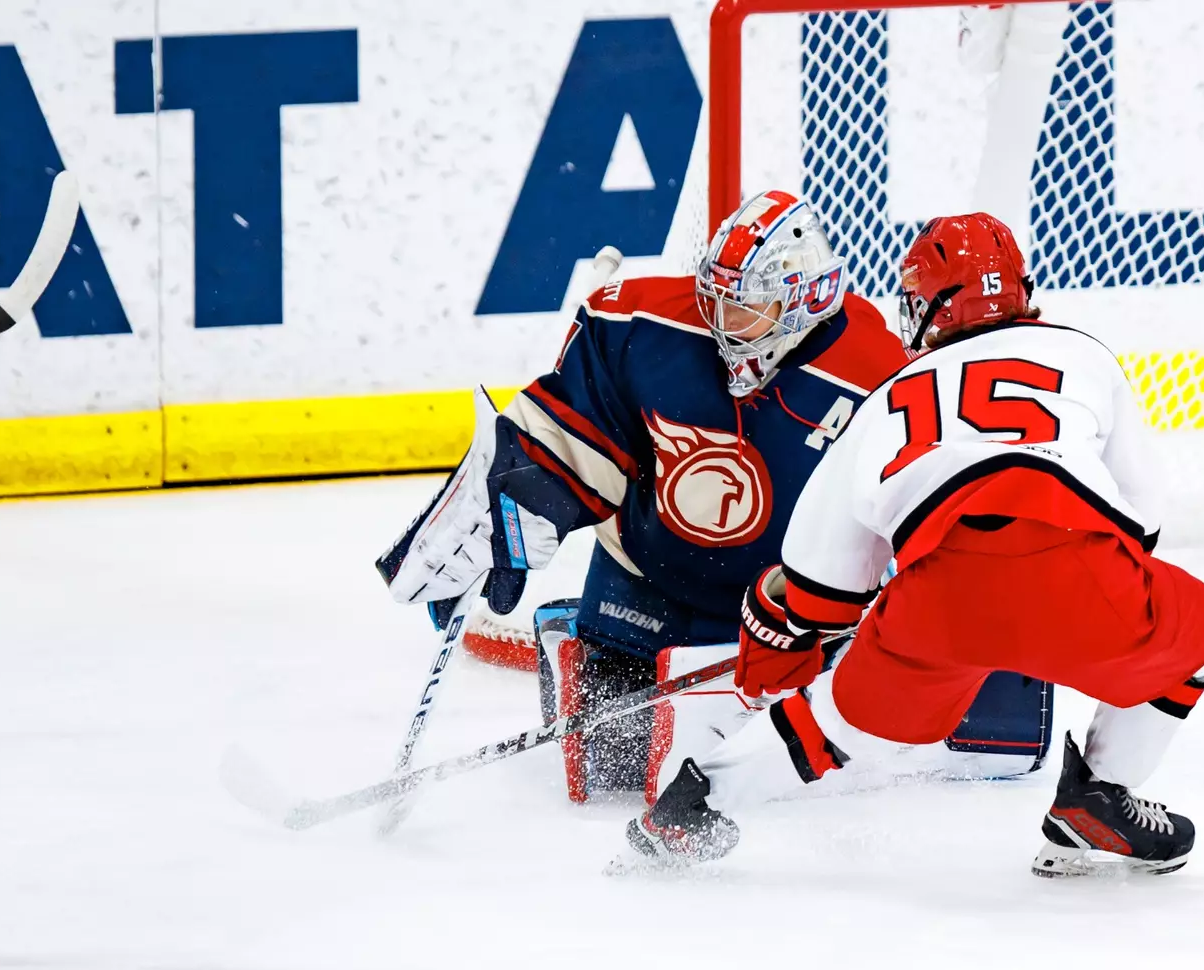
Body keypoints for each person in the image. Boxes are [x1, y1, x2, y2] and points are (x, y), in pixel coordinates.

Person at [378, 193, 1053, 801]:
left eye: (745, 307)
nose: (723, 323)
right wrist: (513, 504)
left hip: (781, 608)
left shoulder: (879, 378)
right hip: (651, 575)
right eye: (716, 299)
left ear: (801, 300)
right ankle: (577, 625)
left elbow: (906, 516)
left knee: (769, 778)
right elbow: (575, 429)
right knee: (608, 771)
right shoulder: (642, 321)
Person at [629, 212, 1204, 877]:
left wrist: (811, 627)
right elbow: (1144, 517)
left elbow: (821, 577)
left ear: (934, 304)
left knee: (836, 723)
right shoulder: (1085, 354)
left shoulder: (888, 396)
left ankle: (692, 804)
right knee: (1200, 624)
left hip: (939, 599)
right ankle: (1098, 796)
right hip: (1082, 575)